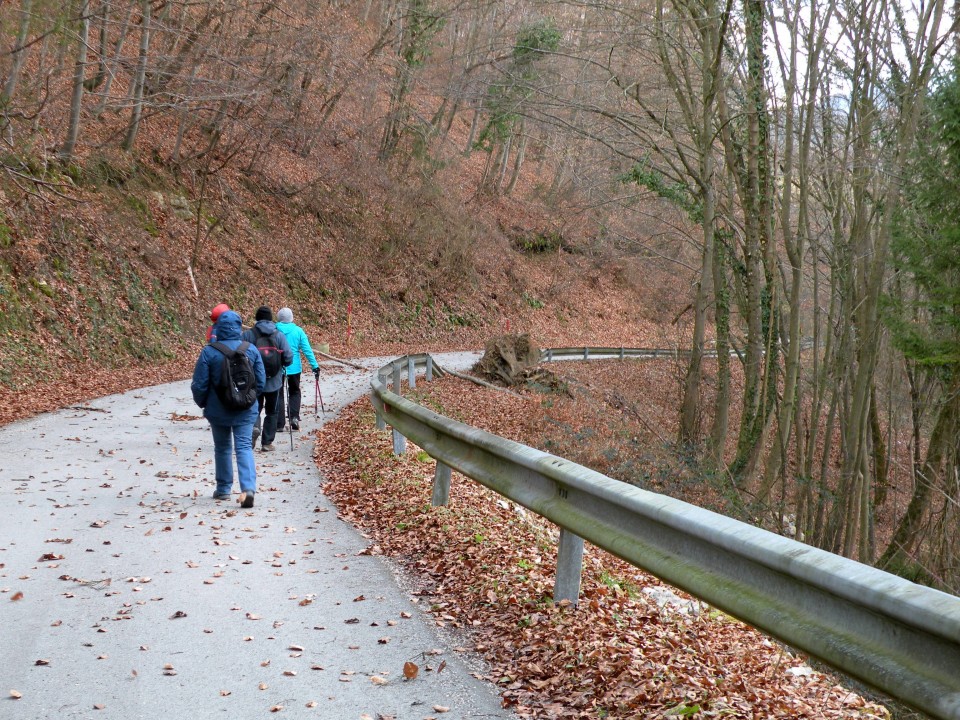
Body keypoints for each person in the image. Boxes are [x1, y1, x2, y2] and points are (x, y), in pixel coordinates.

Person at [191, 309, 265, 508]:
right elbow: (261, 381)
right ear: (239, 327)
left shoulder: (209, 351)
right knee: (243, 447)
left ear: (218, 328)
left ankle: (223, 489)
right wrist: (249, 399)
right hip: (245, 409)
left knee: (222, 447)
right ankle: (248, 489)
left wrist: (204, 403)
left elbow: (199, 384)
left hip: (218, 409)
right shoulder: (250, 349)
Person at [242, 306, 292, 453]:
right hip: (274, 380)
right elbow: (288, 357)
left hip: (254, 380)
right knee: (272, 411)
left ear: (256, 318)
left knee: (254, 408)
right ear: (271, 318)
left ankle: (254, 427)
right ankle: (267, 442)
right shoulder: (279, 335)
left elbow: (239, 354)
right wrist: (282, 364)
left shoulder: (248, 335)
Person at [275, 307, 320, 432]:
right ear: (291, 318)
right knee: (294, 391)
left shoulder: (274, 330)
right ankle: (294, 417)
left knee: (278, 394)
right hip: (294, 368)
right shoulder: (298, 331)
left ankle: (279, 423)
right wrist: (314, 366)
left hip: (278, 367)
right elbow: (307, 349)